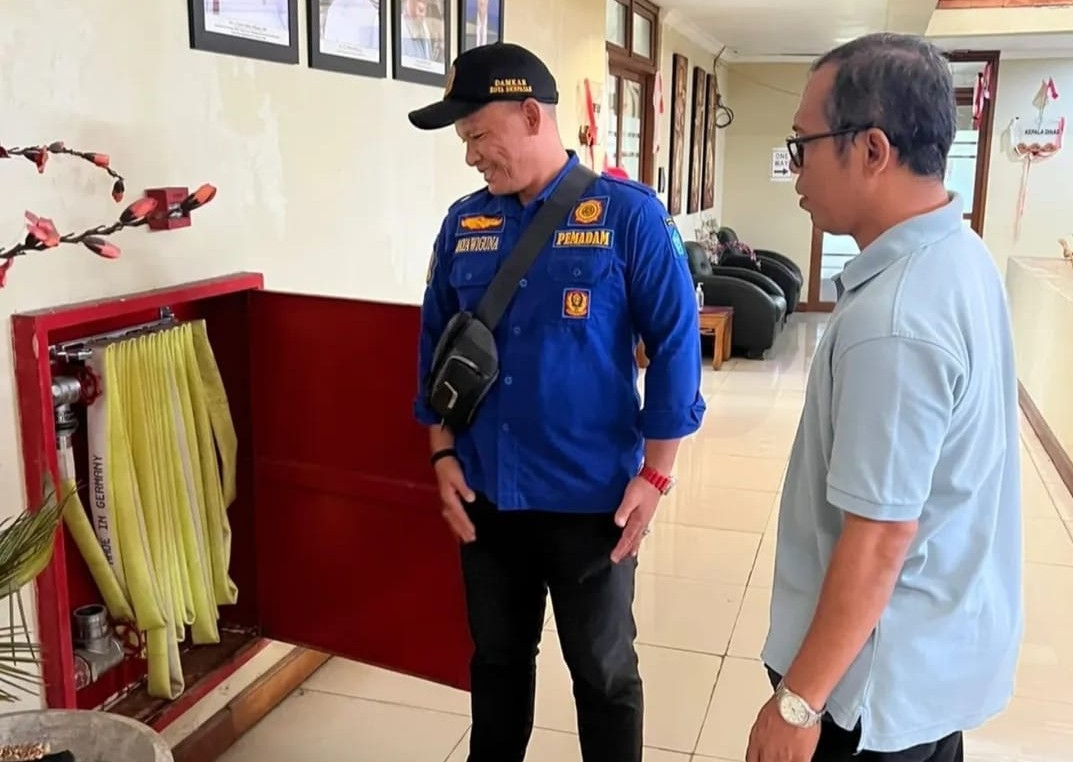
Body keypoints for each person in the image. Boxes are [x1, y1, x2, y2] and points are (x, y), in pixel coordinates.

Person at [408, 42, 705, 762]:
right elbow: (434, 349)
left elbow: (675, 346)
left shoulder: (628, 217)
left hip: (592, 502)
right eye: (464, 141)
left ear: (532, 115)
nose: (471, 156)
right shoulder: (463, 225)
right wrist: (442, 455)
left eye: (479, 135)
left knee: (603, 676)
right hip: (488, 496)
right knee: (497, 665)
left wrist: (655, 474)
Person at [748, 32, 1023, 762]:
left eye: (803, 143)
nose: (796, 168)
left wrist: (798, 702)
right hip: (930, 668)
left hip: (865, 692)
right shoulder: (961, 256)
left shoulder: (896, 320)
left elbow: (878, 539)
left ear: (872, 149)